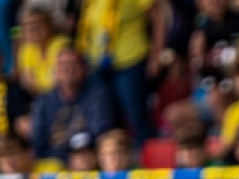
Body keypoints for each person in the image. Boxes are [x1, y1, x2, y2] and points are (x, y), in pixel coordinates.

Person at [75, 0, 166, 147]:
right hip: (98, 66)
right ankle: (114, 162)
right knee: (105, 120)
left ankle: (148, 162)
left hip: (130, 61)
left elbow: (158, 18)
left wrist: (157, 54)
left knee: (137, 117)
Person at [31, 46, 114, 165]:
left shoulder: (97, 96)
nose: (67, 69)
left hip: (89, 159)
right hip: (53, 162)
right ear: (56, 71)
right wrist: (66, 158)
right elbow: (38, 142)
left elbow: (100, 132)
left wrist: (79, 155)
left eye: (73, 63)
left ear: (84, 69)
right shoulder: (43, 101)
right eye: (62, 64)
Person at [16, 4, 70, 97]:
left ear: (49, 25)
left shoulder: (61, 46)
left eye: (37, 23)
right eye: (27, 25)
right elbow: (29, 84)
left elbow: (58, 84)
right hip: (42, 99)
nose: (32, 28)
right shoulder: (27, 49)